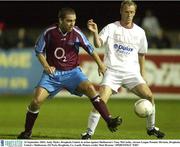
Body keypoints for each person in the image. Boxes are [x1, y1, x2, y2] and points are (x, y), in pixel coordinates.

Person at [17, 7, 122, 139]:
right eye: (69, 21)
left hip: (73, 73)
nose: (72, 23)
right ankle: (27, 132)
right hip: (53, 75)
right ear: (60, 20)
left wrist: (100, 64)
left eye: (74, 20)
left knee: (90, 88)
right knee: (36, 101)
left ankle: (109, 120)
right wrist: (46, 65)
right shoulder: (49, 32)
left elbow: (90, 49)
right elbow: (39, 51)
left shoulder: (77, 32)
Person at [81, 0, 165, 139]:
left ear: (135, 13)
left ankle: (151, 128)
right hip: (112, 72)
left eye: (132, 12)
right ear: (121, 11)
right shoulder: (111, 27)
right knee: (100, 101)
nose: (129, 14)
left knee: (149, 96)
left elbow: (141, 55)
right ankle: (89, 133)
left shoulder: (140, 32)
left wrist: (142, 74)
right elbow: (98, 43)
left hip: (132, 73)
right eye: (126, 11)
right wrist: (95, 32)